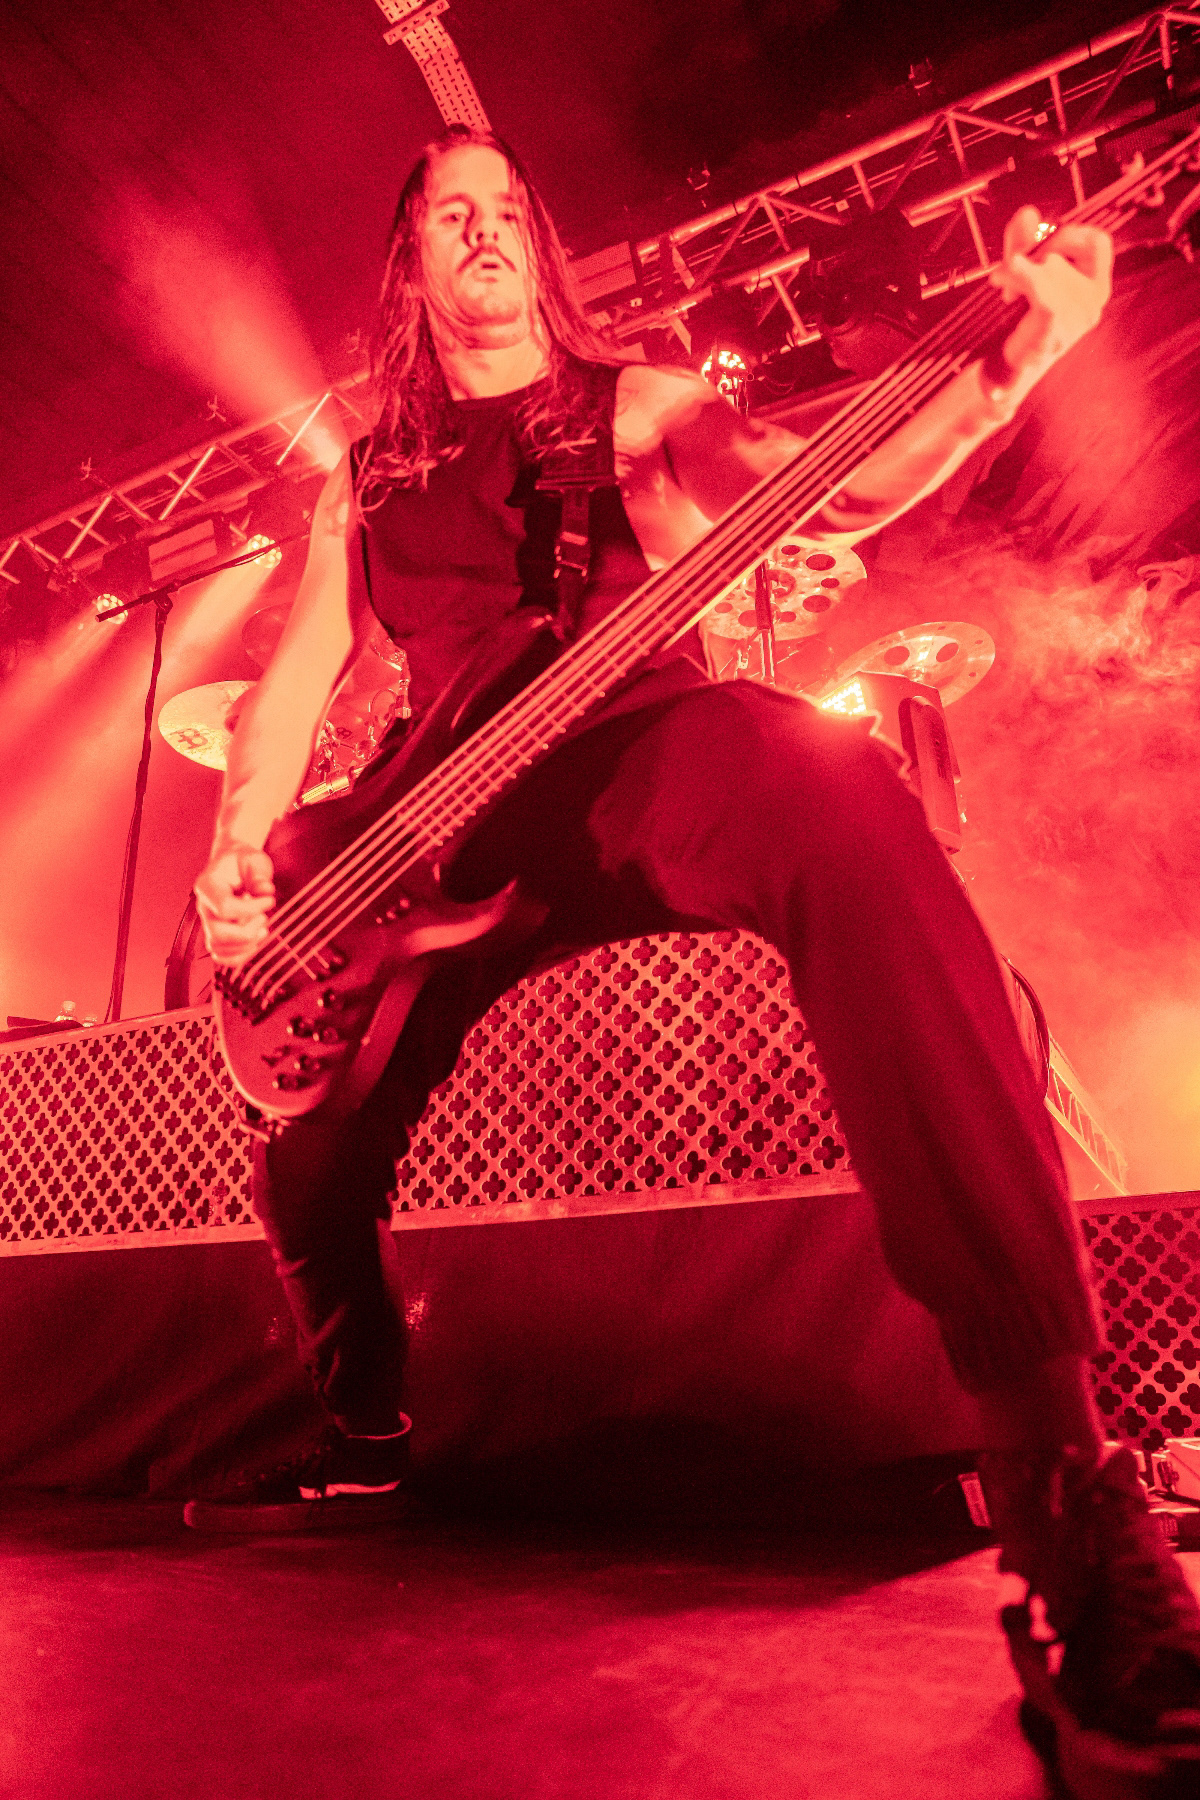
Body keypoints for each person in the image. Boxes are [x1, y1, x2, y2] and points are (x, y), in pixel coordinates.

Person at [189, 126, 1200, 1793]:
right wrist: (243, 850)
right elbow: (296, 680)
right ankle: (362, 1426)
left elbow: (830, 481)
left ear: (539, 248)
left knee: (836, 795)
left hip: (636, 751)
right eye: (452, 213)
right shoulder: (363, 475)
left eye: (508, 209)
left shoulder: (637, 404)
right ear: (411, 263)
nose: (486, 230)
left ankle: (1058, 1479)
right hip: (424, 835)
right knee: (305, 1149)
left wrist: (1012, 359)